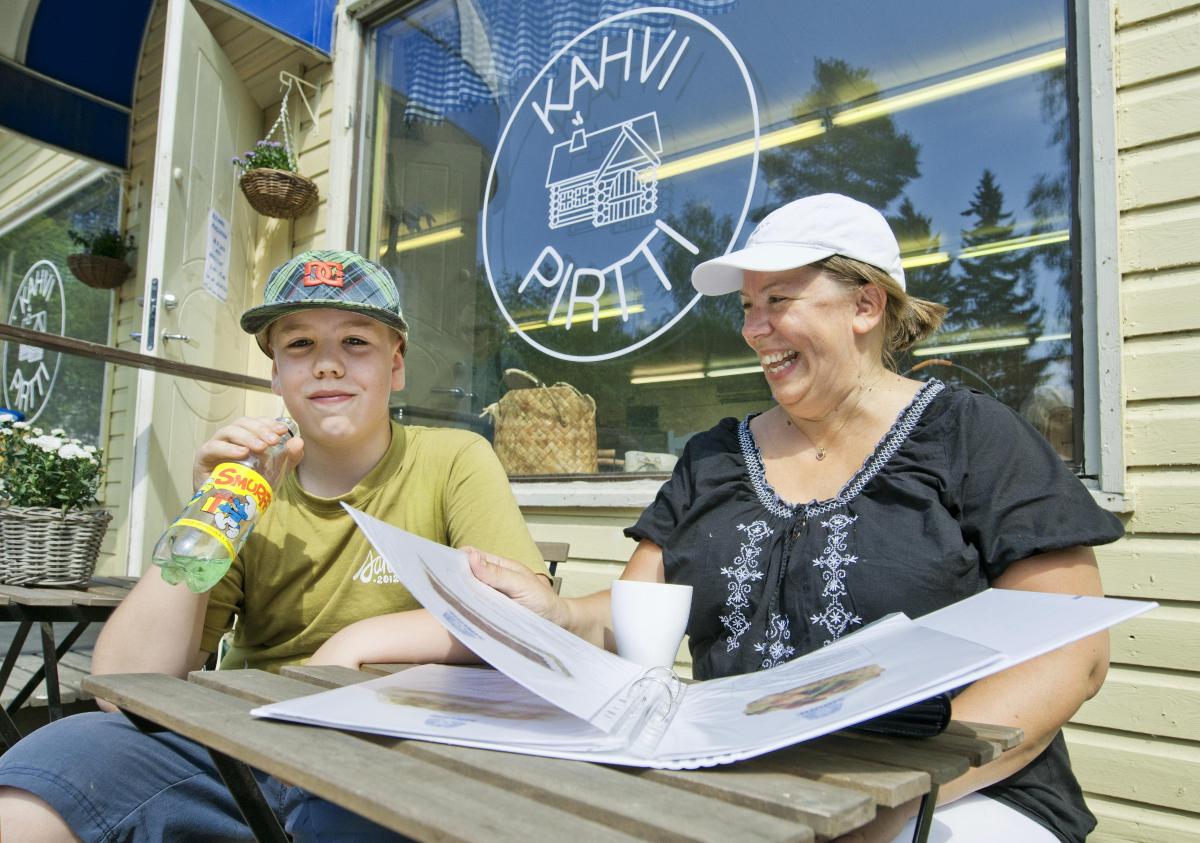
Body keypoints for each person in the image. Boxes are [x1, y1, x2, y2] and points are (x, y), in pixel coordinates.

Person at [460, 194, 1124, 843]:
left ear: (865, 304)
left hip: (957, 794)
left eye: (778, 300)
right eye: (748, 307)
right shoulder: (714, 456)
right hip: (747, 790)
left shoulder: (972, 435)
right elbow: (635, 611)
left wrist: (891, 797)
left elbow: (1072, 651)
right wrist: (558, 614)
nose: (753, 329)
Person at [0, 249, 549, 842]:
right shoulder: (250, 489)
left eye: (357, 342)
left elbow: (520, 615)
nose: (328, 366)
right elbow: (127, 681)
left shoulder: (452, 459)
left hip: (395, 746)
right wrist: (209, 515)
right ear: (276, 375)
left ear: (396, 366)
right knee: (47, 774)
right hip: (247, 740)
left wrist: (358, 640)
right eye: (300, 345)